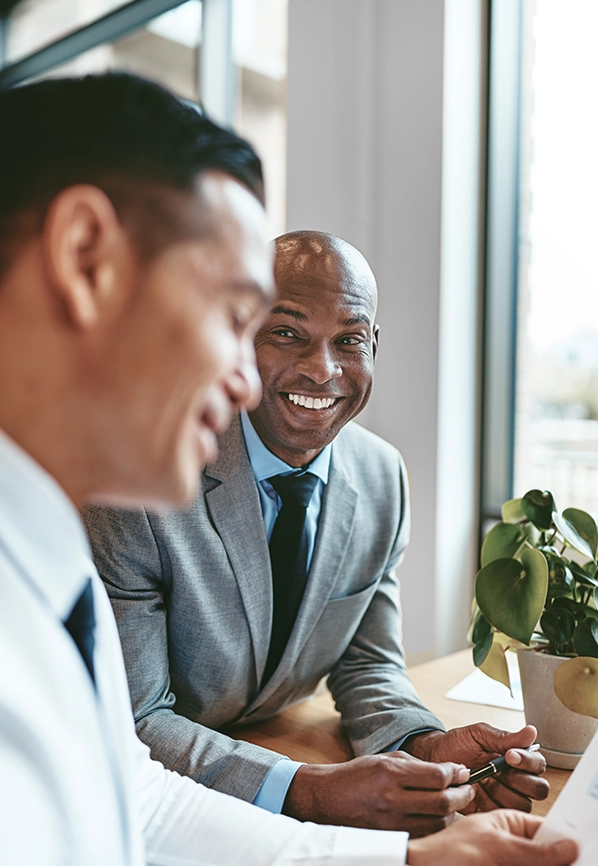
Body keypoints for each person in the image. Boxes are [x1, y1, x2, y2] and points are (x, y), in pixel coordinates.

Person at [0, 71, 577, 866]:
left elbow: (136, 793)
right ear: (84, 258)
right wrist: (313, 794)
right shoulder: (95, 517)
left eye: (350, 340)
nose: (242, 379)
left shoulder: (45, 540)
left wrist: (411, 858)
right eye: (231, 314)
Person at [86, 231, 546, 835]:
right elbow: (135, 720)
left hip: (269, 751)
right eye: (287, 333)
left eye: (349, 340)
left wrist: (425, 747)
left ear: (373, 346)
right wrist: (307, 791)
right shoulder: (142, 481)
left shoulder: (383, 476)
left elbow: (367, 663)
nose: (321, 369)